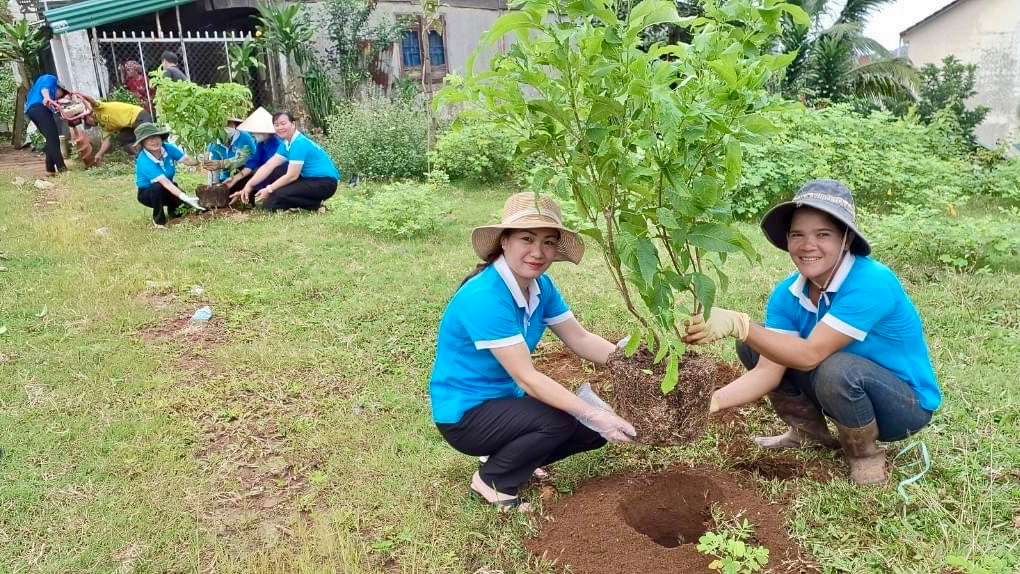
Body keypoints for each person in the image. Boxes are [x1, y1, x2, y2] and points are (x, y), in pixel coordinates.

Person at [683, 180, 941, 485]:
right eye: (797, 235)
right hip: (844, 388)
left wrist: (740, 325)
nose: (808, 245)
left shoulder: (871, 282)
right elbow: (768, 371)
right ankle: (808, 433)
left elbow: (809, 356)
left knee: (835, 366)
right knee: (758, 346)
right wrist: (710, 401)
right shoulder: (787, 295)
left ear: (845, 240)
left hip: (903, 406)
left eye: (823, 235)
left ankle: (865, 455)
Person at [430, 192, 637, 510]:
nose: (538, 252)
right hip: (465, 414)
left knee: (594, 431)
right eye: (527, 239)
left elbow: (580, 339)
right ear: (504, 241)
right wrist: (591, 412)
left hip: (504, 401)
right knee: (562, 421)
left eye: (549, 242)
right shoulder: (484, 296)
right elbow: (527, 378)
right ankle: (494, 480)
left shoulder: (541, 287)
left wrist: (630, 365)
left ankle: (512, 456)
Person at [236, 112, 339, 212]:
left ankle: (314, 205)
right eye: (276, 125)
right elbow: (268, 166)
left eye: (283, 124)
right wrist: (249, 185)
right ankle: (310, 202)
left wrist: (269, 189)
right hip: (309, 179)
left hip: (325, 183)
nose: (280, 127)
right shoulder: (285, 143)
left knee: (273, 201)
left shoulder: (299, 143)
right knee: (276, 173)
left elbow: (292, 175)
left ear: (293, 124)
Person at [133, 122, 204, 227]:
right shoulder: (143, 160)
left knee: (183, 207)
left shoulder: (168, 148)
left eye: (156, 137)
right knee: (158, 187)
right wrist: (185, 197)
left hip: (168, 186)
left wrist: (200, 160)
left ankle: (174, 215)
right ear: (143, 143)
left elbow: (187, 160)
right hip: (148, 193)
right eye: (149, 139)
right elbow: (164, 182)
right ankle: (158, 221)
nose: (155, 141)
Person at [225, 107, 286, 205]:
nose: (254, 134)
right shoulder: (261, 144)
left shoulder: (277, 144)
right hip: (261, 176)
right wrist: (234, 178)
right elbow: (251, 165)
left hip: (275, 178)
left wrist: (253, 174)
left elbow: (269, 169)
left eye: (258, 131)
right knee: (240, 174)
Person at [80, 95, 151, 162]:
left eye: (88, 124)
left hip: (139, 115)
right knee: (124, 139)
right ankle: (140, 159)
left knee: (145, 139)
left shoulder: (98, 109)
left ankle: (151, 159)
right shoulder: (104, 126)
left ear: (88, 117)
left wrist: (81, 95)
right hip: (130, 126)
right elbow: (106, 141)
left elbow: (92, 101)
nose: (91, 126)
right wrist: (99, 154)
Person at [24, 74, 68, 175]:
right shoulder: (51, 78)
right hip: (39, 108)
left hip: (33, 110)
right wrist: (47, 97)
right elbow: (45, 88)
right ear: (58, 88)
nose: (60, 97)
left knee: (50, 139)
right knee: (53, 140)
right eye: (62, 94)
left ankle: (50, 169)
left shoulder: (36, 90)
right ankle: (62, 169)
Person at [202, 117, 256, 184]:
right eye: (221, 124)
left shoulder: (245, 137)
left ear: (235, 125)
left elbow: (243, 159)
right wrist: (213, 185)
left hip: (246, 177)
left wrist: (221, 164)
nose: (225, 127)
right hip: (226, 179)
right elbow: (214, 169)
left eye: (228, 124)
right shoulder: (214, 144)